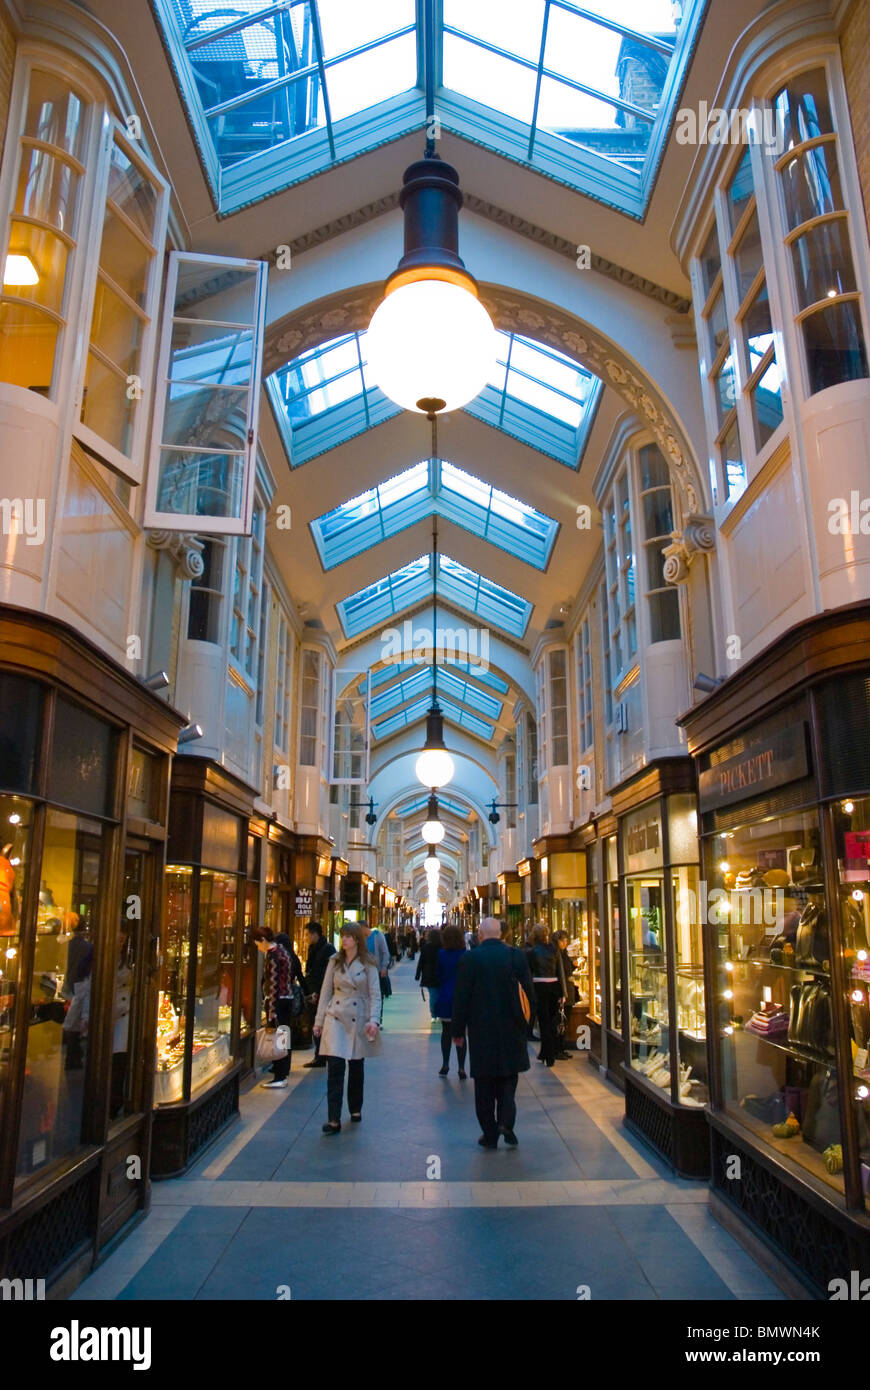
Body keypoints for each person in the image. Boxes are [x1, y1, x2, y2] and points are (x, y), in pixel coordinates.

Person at [451, 916, 535, 1148]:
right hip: (512, 1028)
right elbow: (528, 992)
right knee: (508, 1078)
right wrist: (528, 1023)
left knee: (484, 1083)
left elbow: (462, 997)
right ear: (501, 934)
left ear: (480, 935)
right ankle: (506, 1123)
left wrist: (457, 1030)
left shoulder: (471, 958)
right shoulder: (515, 956)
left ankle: (489, 1132)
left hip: (481, 1030)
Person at [314, 923, 381, 1133]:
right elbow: (325, 992)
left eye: (349, 937)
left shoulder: (368, 963)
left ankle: (355, 1108)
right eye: (342, 936)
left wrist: (374, 1020)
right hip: (336, 1016)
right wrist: (318, 1021)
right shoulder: (334, 962)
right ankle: (333, 1119)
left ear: (357, 940)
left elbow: (374, 994)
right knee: (335, 1067)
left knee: (356, 1066)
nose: (344, 940)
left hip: (358, 1016)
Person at [254, 927, 298, 1088]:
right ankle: (283, 1073)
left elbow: (272, 984)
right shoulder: (283, 951)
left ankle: (279, 1076)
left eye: (258, 944)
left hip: (278, 1000)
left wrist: (271, 1010)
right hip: (287, 997)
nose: (258, 948)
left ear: (263, 941)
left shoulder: (273, 956)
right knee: (284, 1035)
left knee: (278, 1036)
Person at [525, 923, 565, 1067]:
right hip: (554, 986)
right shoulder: (554, 950)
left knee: (543, 1021)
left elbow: (528, 974)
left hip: (539, 986)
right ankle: (547, 1052)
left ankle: (548, 1055)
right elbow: (560, 972)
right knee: (551, 1021)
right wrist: (563, 993)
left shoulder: (532, 952)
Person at [302, 921, 335, 1069]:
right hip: (313, 992)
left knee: (319, 1023)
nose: (306, 937)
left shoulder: (327, 950)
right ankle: (320, 1054)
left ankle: (321, 1056)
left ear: (315, 934)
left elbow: (327, 975)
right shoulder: (314, 948)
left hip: (320, 993)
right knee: (315, 1023)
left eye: (308, 934)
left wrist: (320, 992)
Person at [435, 924, 467, 1077]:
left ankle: (445, 1063)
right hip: (462, 996)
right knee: (461, 1031)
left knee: (446, 1031)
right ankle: (461, 1067)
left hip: (446, 995)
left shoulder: (441, 954)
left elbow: (439, 975)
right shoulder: (465, 954)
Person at [553, 930, 576, 1060]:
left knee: (564, 1021)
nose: (566, 943)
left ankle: (561, 1048)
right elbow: (561, 973)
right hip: (564, 993)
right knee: (561, 1021)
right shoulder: (558, 955)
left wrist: (573, 966)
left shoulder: (563, 954)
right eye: (564, 940)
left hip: (567, 992)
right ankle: (558, 1048)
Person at [362, 920, 391, 1016]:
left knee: (377, 995)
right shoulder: (361, 939)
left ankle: (378, 1017)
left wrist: (384, 967)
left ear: (364, 928)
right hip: (364, 971)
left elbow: (385, 952)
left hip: (377, 971)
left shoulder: (377, 935)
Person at [415, 927, 442, 1021]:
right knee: (439, 995)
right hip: (441, 975)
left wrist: (418, 975)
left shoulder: (426, 947)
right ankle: (439, 1013)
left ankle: (433, 1015)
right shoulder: (442, 947)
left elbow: (421, 962)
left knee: (433, 996)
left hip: (429, 975)